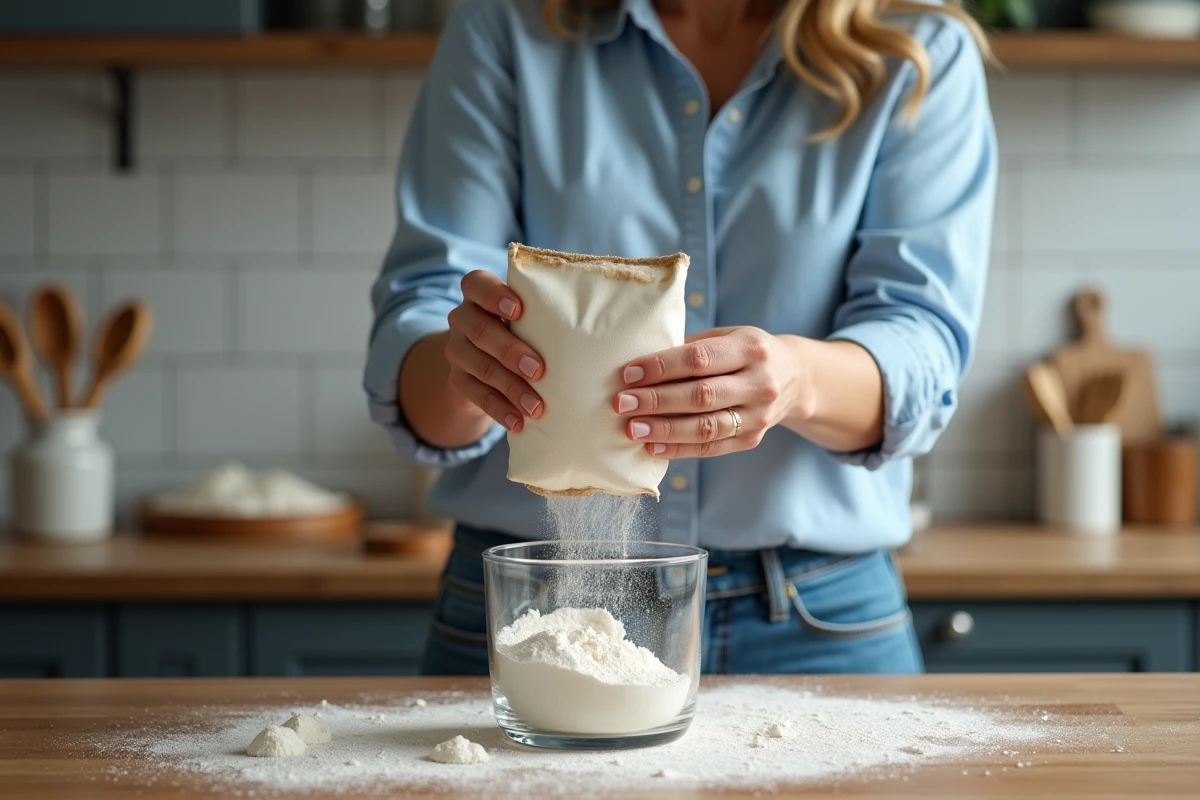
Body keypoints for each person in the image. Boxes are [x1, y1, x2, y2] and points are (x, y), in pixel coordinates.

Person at [365, 0, 995, 676]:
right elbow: (426, 316)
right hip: (532, 602)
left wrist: (797, 380)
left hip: (818, 619)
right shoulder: (507, 24)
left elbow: (921, 344)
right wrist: (468, 371)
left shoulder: (916, 49)